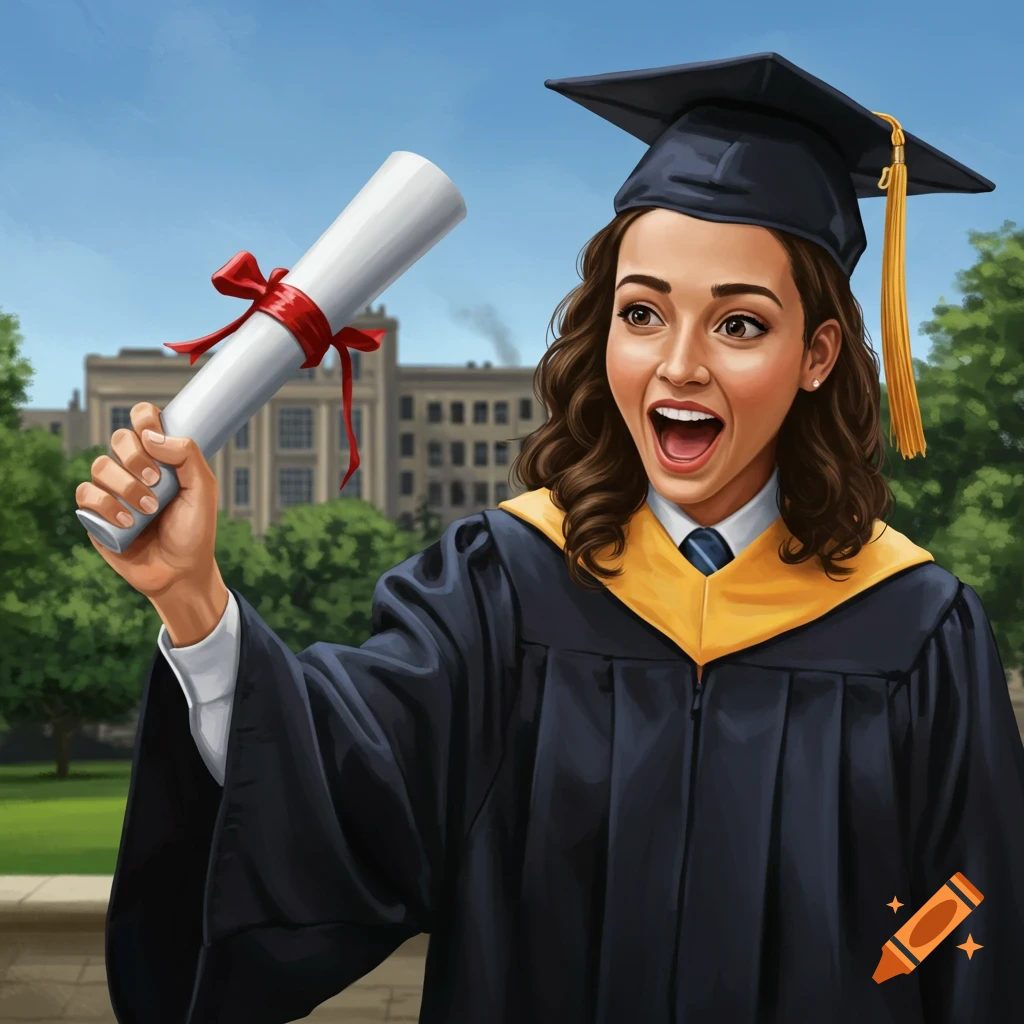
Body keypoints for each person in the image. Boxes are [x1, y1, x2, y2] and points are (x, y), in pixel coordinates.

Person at [77, 53, 1024, 1024]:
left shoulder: (913, 628)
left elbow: (975, 900)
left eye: (739, 323)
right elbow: (345, 790)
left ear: (816, 354)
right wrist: (193, 601)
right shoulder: (500, 589)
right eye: (642, 312)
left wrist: (879, 979)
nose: (679, 365)